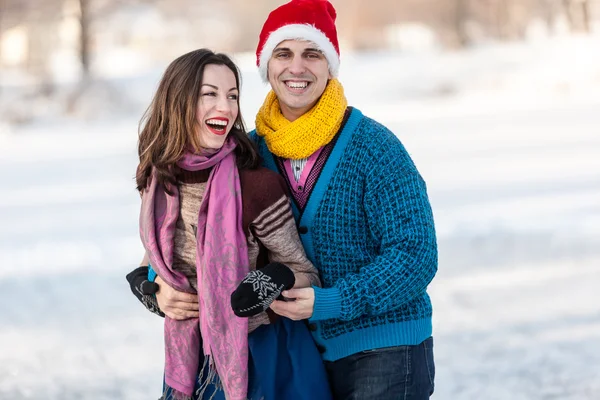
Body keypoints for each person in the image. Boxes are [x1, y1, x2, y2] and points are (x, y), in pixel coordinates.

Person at [129, 0, 438, 398]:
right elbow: (190, 238)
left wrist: (332, 301)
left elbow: (416, 255)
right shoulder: (247, 156)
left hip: (384, 349)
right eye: (283, 53)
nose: (297, 67)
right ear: (267, 66)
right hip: (299, 358)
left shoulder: (374, 148)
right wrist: (157, 287)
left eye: (312, 54)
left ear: (330, 65)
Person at [126, 48, 332, 400]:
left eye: (232, 95)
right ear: (178, 101)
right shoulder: (159, 180)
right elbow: (155, 262)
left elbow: (304, 271)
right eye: (210, 94)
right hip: (192, 359)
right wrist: (148, 286)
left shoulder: (253, 185)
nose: (226, 107)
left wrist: (271, 279)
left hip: (265, 359)